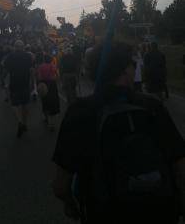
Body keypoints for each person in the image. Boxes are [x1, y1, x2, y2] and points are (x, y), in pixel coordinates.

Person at [53, 42, 185, 224]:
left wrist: (70, 205)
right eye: (133, 65)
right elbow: (179, 163)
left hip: (104, 212)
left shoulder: (79, 111)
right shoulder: (151, 106)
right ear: (125, 70)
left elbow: (60, 186)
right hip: (157, 211)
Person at [4, 40, 33, 138]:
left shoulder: (10, 56)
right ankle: (24, 123)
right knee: (25, 104)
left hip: (14, 83)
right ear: (23, 47)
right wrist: (32, 82)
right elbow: (31, 69)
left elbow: (5, 68)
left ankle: (20, 121)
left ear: (15, 47)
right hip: (25, 82)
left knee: (14, 104)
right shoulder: (28, 56)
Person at [37, 54, 60, 131]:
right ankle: (51, 123)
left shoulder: (41, 66)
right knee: (52, 102)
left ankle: (45, 117)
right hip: (52, 85)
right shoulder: (53, 66)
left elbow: (39, 77)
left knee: (45, 101)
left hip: (44, 84)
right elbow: (57, 75)